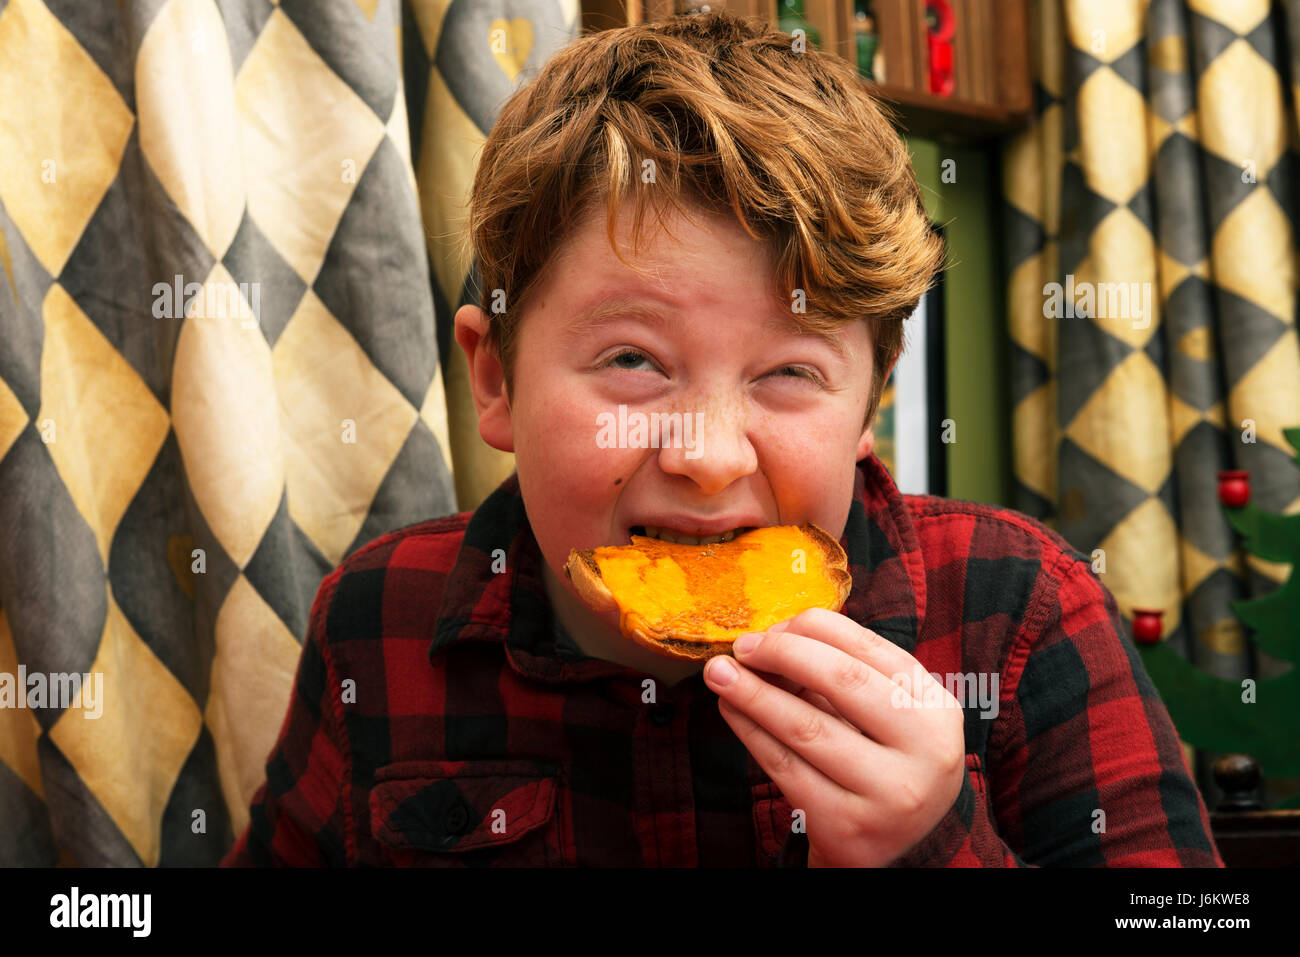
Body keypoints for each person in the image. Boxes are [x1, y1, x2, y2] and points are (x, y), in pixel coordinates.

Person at [222, 10, 1222, 867]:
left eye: (789, 374)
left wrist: (930, 841)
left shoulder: (1017, 612)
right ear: (495, 379)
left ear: (868, 408)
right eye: (631, 362)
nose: (707, 456)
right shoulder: (377, 619)